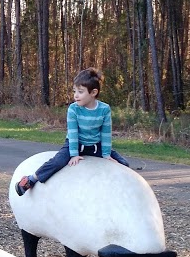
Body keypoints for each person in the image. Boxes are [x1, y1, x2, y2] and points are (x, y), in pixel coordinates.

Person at [15, 67, 129, 196]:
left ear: (93, 92)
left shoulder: (104, 109)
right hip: (74, 144)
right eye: (75, 91)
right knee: (57, 162)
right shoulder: (73, 109)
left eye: (80, 92)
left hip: (96, 146)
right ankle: (31, 179)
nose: (76, 95)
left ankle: (118, 193)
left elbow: (106, 133)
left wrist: (107, 154)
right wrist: (74, 154)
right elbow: (73, 133)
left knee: (123, 163)